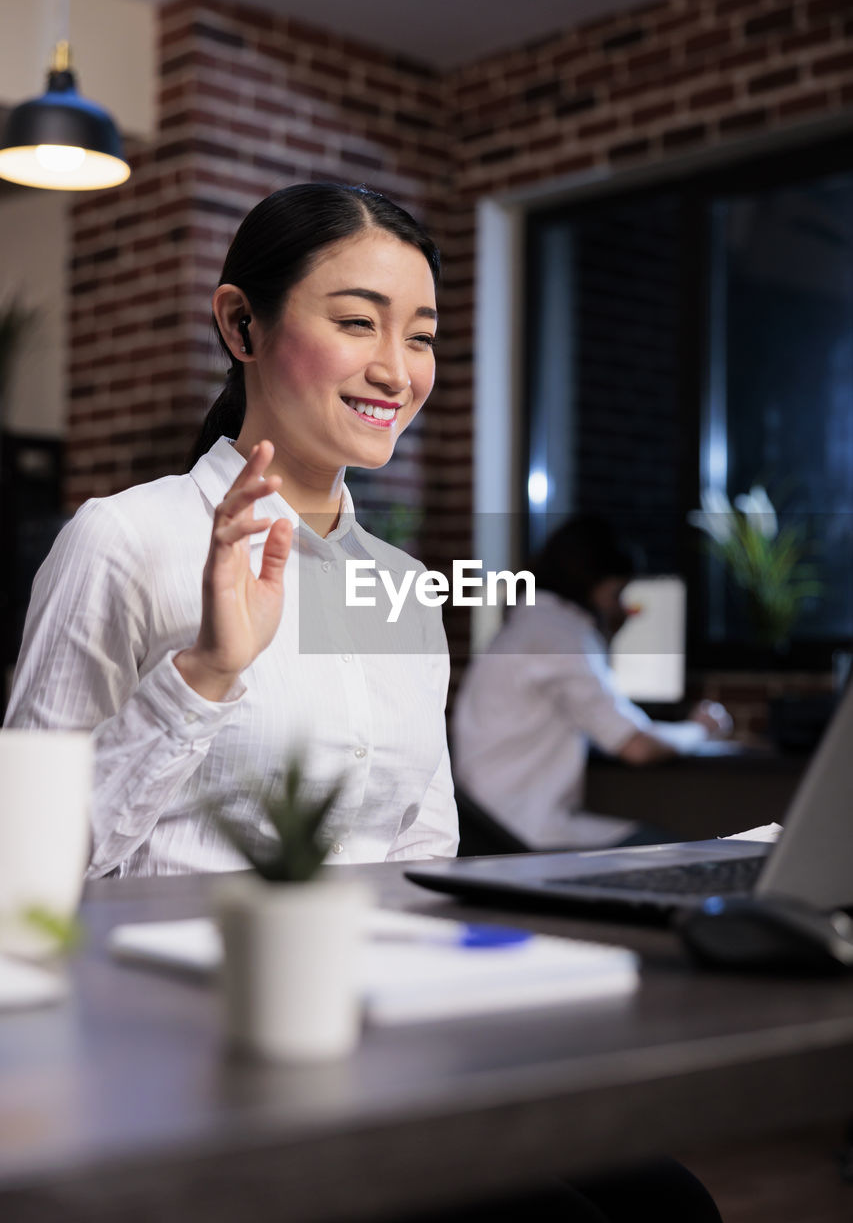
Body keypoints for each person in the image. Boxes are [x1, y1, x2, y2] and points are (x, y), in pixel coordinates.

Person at [5, 182, 459, 877]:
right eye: (357, 323)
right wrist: (205, 673)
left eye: (421, 337)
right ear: (242, 323)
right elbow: (23, 859)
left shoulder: (405, 588)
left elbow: (424, 853)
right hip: (164, 982)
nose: (396, 372)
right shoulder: (124, 539)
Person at [453, 515, 732, 850]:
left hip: (492, 820)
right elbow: (637, 747)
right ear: (595, 584)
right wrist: (701, 728)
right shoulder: (561, 635)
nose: (620, 609)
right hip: (520, 828)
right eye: (617, 594)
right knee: (673, 853)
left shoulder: (533, 624)